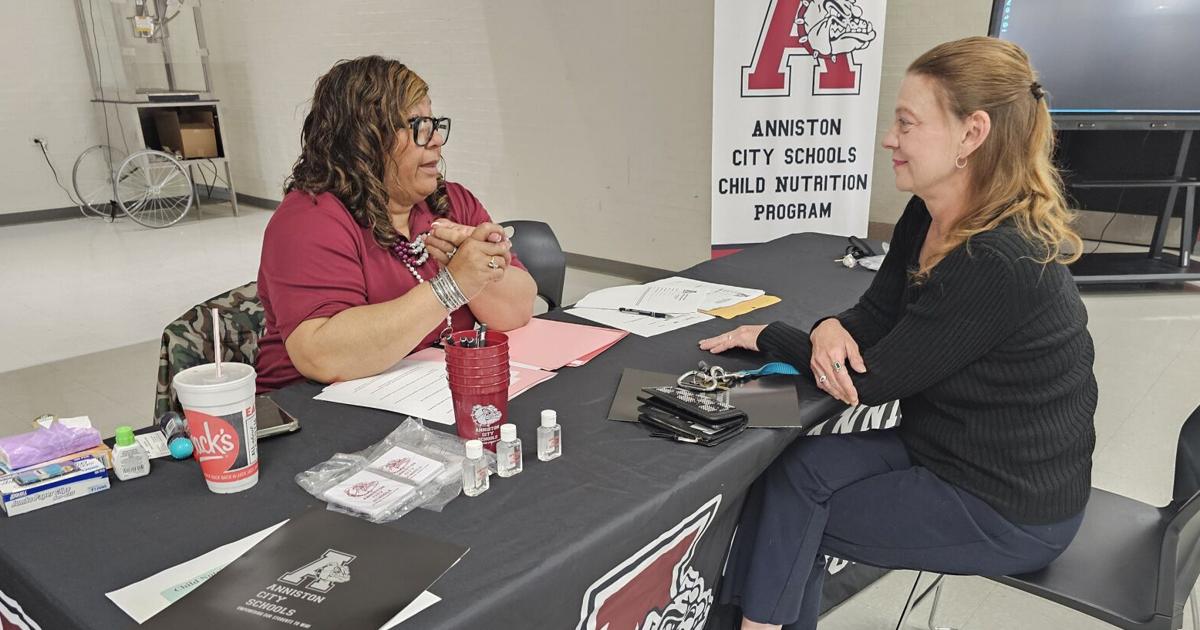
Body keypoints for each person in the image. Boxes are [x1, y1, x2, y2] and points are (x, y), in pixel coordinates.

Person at [699, 37, 1098, 630]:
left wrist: (775, 337)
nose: (890, 139)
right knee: (791, 472)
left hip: (1009, 507)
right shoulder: (929, 214)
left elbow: (870, 377)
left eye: (907, 124)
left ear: (972, 135)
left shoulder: (996, 259)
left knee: (788, 515)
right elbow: (872, 318)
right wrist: (830, 326)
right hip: (947, 450)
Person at [256, 56, 537, 392]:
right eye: (417, 124)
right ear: (364, 139)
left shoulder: (451, 201)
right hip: (312, 411)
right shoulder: (309, 218)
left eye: (434, 123)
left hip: (423, 396)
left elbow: (519, 309)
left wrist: (477, 267)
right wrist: (453, 284)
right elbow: (321, 355)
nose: (436, 140)